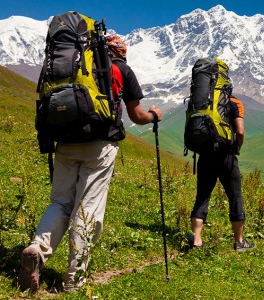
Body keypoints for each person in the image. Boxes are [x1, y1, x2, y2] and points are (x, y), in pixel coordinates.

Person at [18, 34, 163, 293]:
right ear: (120, 51)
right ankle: (75, 279)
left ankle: (37, 249)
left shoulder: (72, 67)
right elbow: (136, 114)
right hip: (99, 145)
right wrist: (153, 115)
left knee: (60, 202)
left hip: (65, 143)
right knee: (88, 209)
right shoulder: (120, 69)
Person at [189, 93, 255, 252]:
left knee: (202, 196)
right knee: (235, 197)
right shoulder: (234, 102)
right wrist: (236, 148)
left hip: (205, 155)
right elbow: (240, 131)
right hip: (227, 156)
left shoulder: (201, 102)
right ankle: (239, 242)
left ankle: (196, 240)